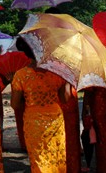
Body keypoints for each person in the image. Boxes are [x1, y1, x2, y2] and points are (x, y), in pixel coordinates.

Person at [11, 37, 70, 173]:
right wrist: (67, 80)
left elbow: (15, 105)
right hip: (55, 119)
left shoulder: (21, 75)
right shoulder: (57, 72)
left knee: (39, 157)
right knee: (56, 155)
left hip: (34, 120)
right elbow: (65, 99)